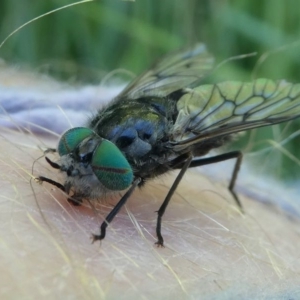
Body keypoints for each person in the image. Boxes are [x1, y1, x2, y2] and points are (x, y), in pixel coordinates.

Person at [1, 66, 299, 299]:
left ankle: (229, 190)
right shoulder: (103, 133)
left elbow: (157, 171)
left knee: (219, 156)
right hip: (151, 114)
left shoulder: (166, 145)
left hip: (190, 124)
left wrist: (131, 224)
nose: (79, 159)